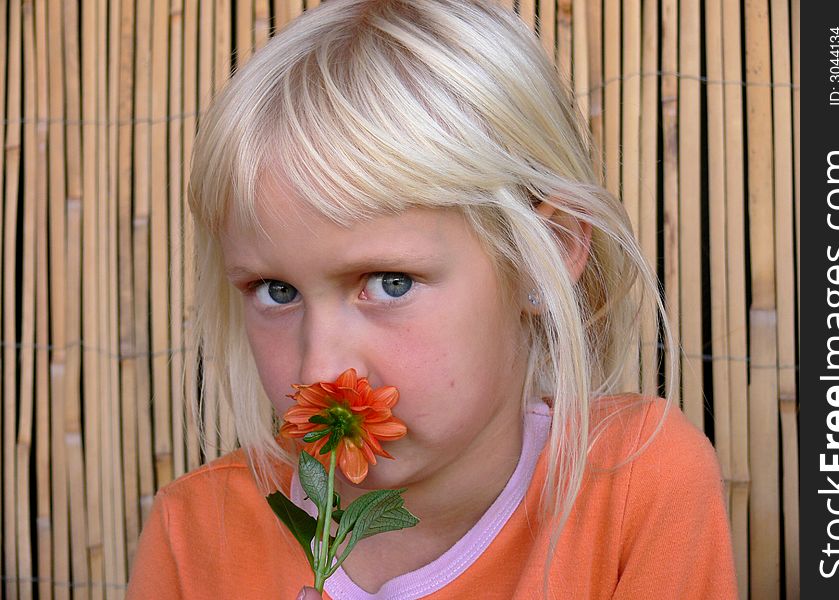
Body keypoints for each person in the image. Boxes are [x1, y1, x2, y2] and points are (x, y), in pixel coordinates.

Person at [126, 0, 738, 598]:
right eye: (276, 291)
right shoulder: (197, 534)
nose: (320, 372)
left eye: (390, 283)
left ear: (538, 256)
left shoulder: (633, 485)